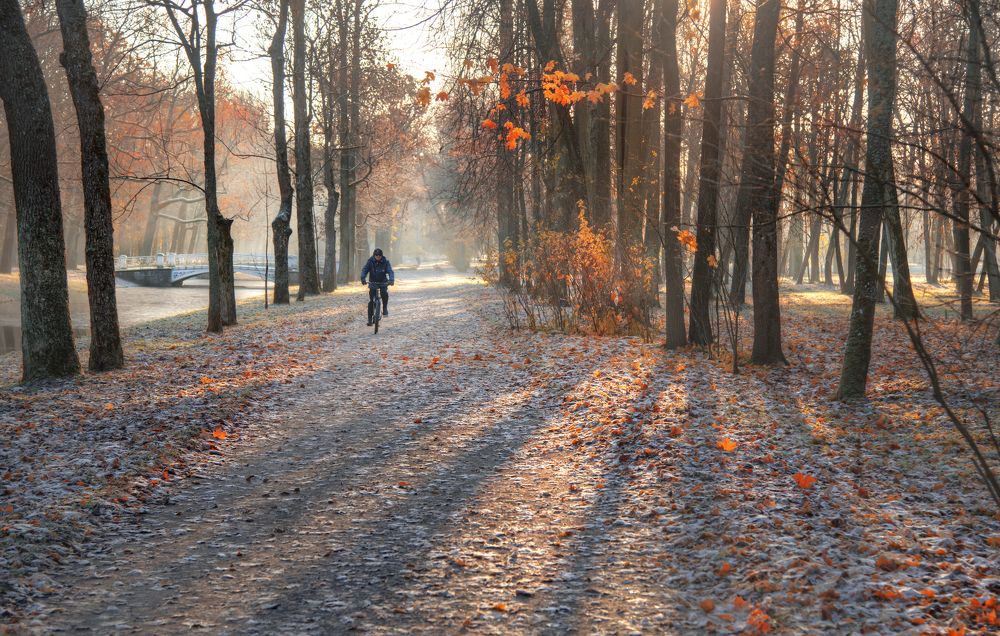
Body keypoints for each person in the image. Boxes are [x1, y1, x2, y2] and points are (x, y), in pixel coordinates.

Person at [361, 248, 394, 325]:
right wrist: (363, 278)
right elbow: (365, 270)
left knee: (384, 293)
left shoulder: (386, 262)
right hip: (373, 282)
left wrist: (391, 280)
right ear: (374, 255)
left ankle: (384, 308)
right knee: (371, 301)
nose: (378, 257)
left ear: (382, 256)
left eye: (379, 255)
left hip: (383, 282)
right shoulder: (370, 261)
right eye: (376, 255)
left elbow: (390, 271)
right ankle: (369, 319)